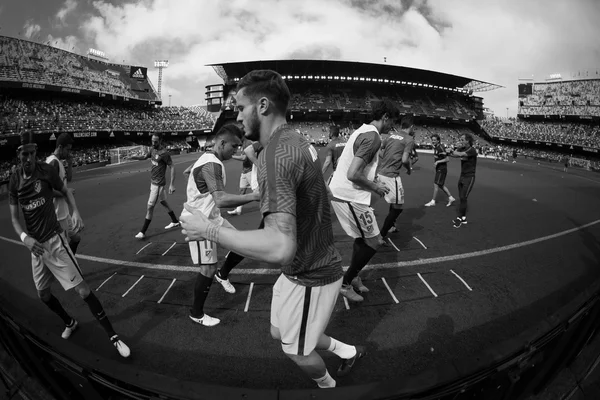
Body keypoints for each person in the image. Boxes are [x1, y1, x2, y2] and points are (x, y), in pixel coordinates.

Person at [180, 70, 365, 388]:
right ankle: (347, 351)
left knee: (295, 349)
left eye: (240, 107)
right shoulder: (295, 140)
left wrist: (207, 230)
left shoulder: (275, 155)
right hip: (303, 266)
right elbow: (322, 195)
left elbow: (280, 246)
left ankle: (328, 386)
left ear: (262, 105)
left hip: (311, 273)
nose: (237, 116)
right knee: (281, 331)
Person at [8, 132, 130, 357]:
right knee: (43, 295)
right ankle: (69, 322)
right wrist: (25, 238)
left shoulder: (46, 171)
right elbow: (15, 219)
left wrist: (75, 212)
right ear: (18, 155)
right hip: (37, 249)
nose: (29, 159)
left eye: (33, 154)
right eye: (25, 154)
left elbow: (64, 190)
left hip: (55, 241)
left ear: (36, 153)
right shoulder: (14, 179)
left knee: (83, 291)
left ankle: (114, 337)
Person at [181, 124, 260, 327]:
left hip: (212, 218)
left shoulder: (211, 159)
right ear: (222, 143)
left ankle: (222, 274)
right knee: (207, 268)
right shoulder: (212, 164)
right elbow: (221, 199)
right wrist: (254, 196)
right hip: (199, 221)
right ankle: (196, 313)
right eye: (234, 147)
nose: (236, 151)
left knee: (242, 245)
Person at [328, 100, 398, 302]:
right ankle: (345, 282)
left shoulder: (362, 130)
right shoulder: (373, 137)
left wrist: (371, 179)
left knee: (361, 238)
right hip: (349, 196)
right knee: (374, 241)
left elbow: (352, 165)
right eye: (392, 120)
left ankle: (353, 277)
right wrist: (376, 187)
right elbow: (353, 173)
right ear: (385, 117)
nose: (392, 126)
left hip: (345, 193)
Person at [128, 133, 180, 239]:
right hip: (153, 183)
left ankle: (143, 232)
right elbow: (144, 157)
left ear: (160, 141)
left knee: (150, 207)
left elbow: (172, 167)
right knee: (163, 202)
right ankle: (175, 221)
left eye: (155, 141)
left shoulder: (164, 153)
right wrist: (133, 157)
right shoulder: (152, 149)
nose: (153, 143)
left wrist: (172, 184)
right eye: (152, 141)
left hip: (158, 185)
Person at [377, 118, 415, 244]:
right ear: (411, 127)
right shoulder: (409, 139)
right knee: (398, 206)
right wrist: (409, 169)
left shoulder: (391, 135)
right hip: (391, 176)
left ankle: (392, 226)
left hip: (381, 172)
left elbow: (379, 150)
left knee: (394, 201)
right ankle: (381, 235)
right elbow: (404, 160)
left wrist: (387, 159)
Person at [45, 133, 82, 254]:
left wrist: (70, 164)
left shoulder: (59, 162)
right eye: (67, 149)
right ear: (60, 147)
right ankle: (69, 268)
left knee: (76, 238)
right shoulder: (53, 162)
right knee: (63, 250)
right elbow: (46, 190)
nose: (69, 152)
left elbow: (68, 179)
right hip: (58, 215)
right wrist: (66, 193)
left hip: (64, 212)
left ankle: (70, 263)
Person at [448, 133, 478, 228]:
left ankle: (459, 219)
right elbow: (455, 155)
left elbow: (459, 154)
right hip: (462, 176)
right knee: (461, 197)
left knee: (463, 197)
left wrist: (451, 151)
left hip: (469, 177)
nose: (461, 141)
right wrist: (450, 151)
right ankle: (464, 218)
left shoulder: (471, 150)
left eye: (462, 139)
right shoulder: (463, 148)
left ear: (468, 141)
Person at [425, 133, 455, 207]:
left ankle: (433, 201)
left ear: (438, 141)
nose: (433, 141)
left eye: (434, 140)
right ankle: (451, 198)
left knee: (436, 184)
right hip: (439, 169)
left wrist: (438, 162)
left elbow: (447, 159)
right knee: (441, 185)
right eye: (432, 140)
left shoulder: (440, 148)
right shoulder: (436, 147)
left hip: (442, 169)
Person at [227, 137, 254, 216]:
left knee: (258, 191)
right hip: (244, 171)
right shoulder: (242, 144)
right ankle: (238, 210)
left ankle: (271, 206)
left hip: (250, 171)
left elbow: (244, 158)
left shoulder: (248, 143)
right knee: (242, 191)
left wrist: (231, 156)